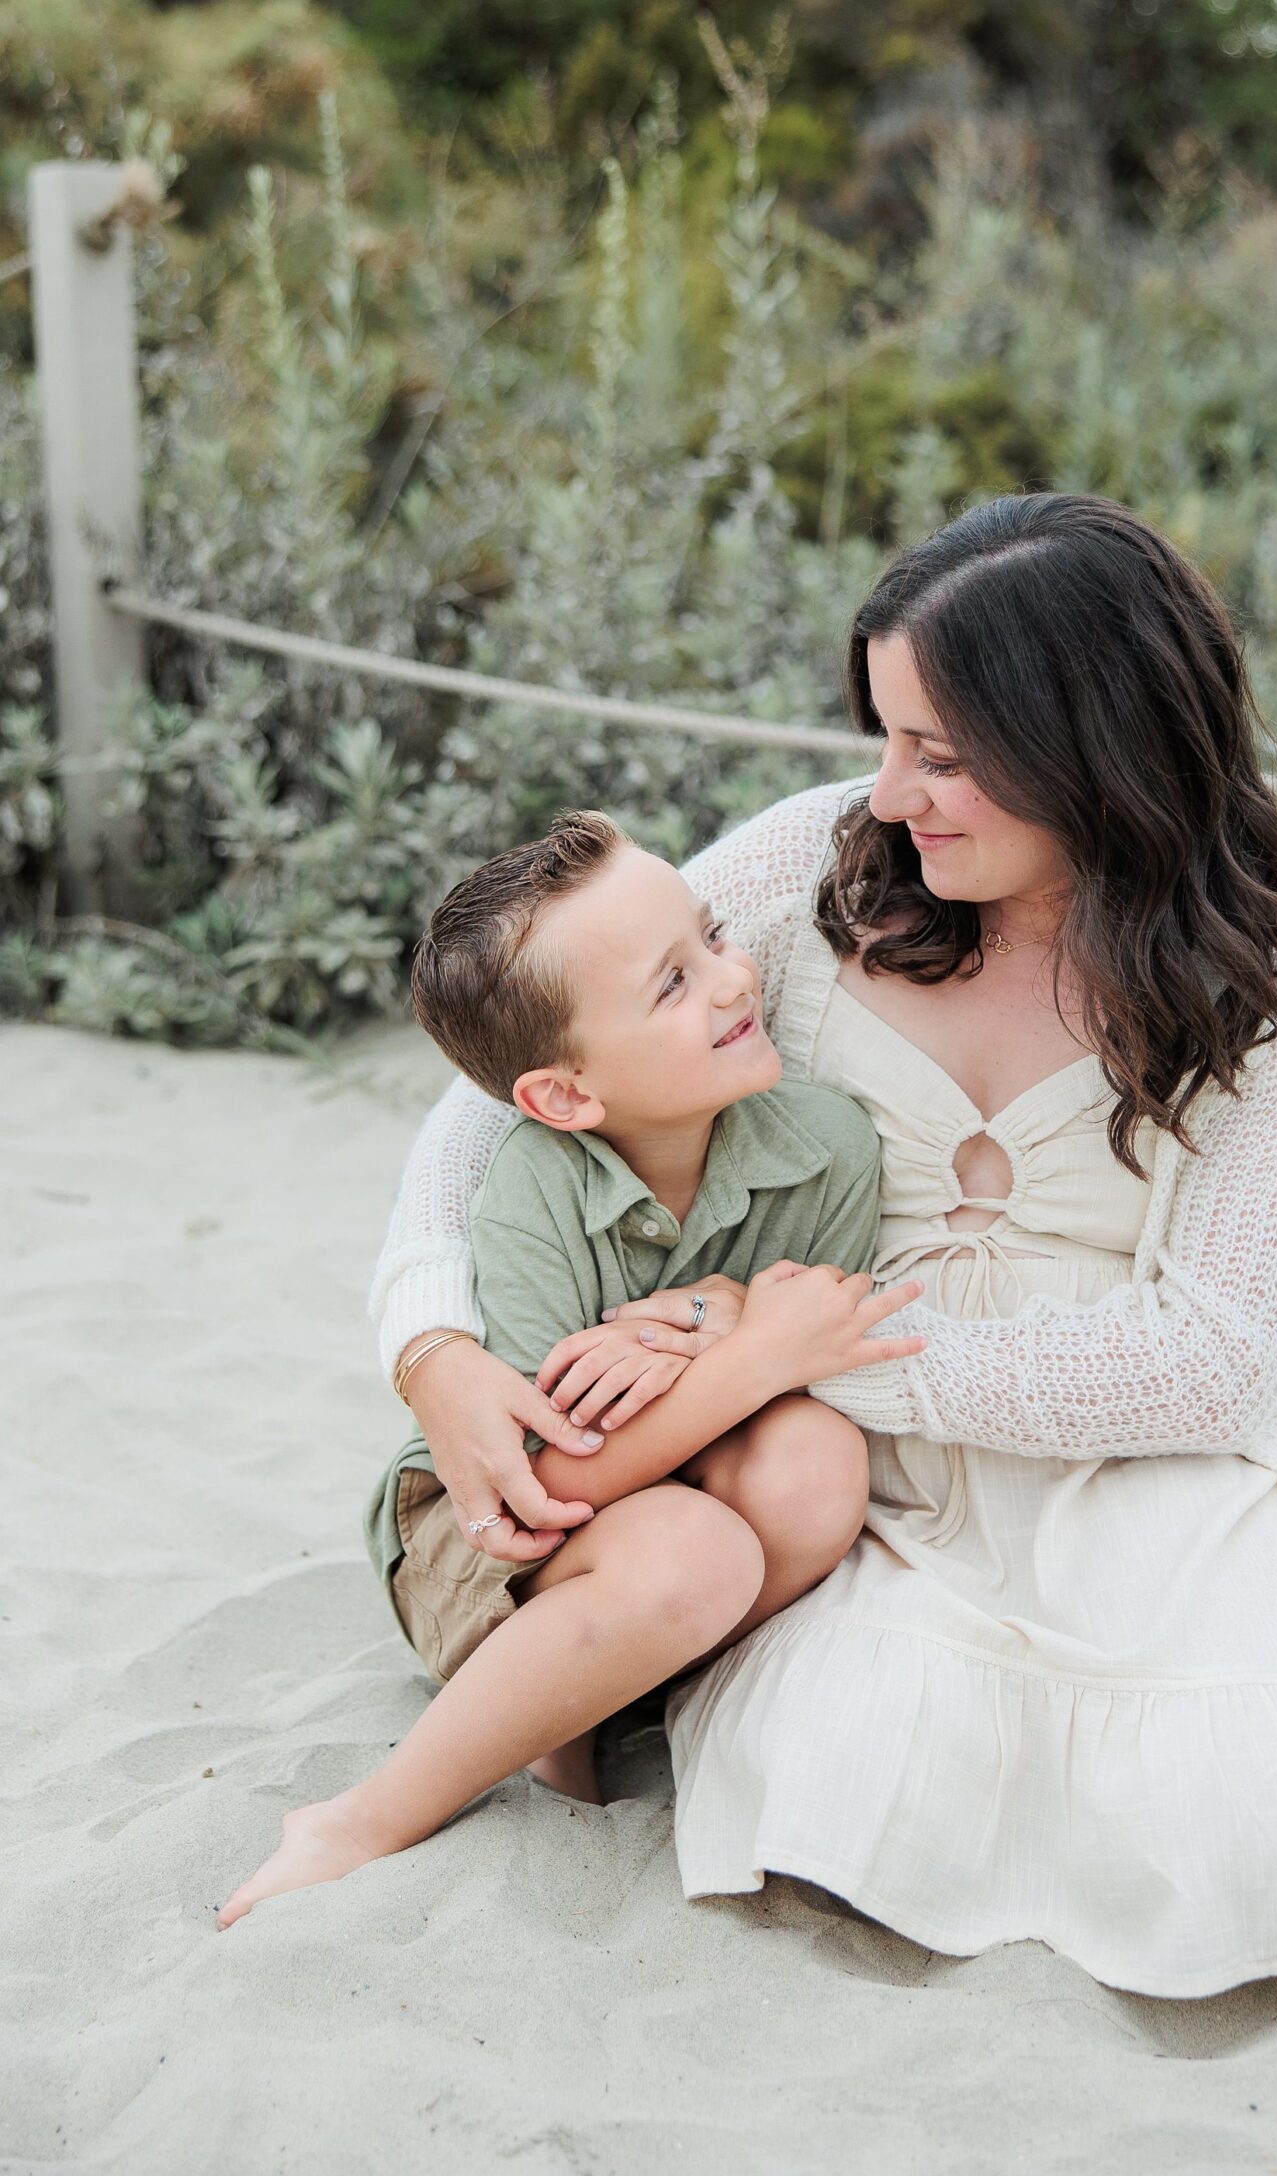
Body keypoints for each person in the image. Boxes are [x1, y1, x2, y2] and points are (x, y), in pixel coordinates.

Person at [371, 496, 1277, 1995]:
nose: (890, 789)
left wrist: (792, 1351)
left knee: (1255, 1781)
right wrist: (430, 1340)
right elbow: (495, 1103)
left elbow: (1210, 1362)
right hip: (838, 1452)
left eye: (941, 752)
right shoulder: (818, 867)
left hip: (1129, 1429)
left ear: (1091, 741)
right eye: (883, 734)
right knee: (844, 1757)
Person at [218, 813, 923, 1926]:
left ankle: (600, 1695)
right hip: (492, 1527)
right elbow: (545, 1483)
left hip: (675, 1501)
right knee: (693, 1552)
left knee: (818, 1463)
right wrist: (748, 1358)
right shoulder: (533, 1185)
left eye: (713, 938)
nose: (738, 980)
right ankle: (372, 1812)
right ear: (564, 1095)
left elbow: (810, 1352)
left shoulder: (826, 1144)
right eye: (672, 985)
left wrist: (737, 1321)